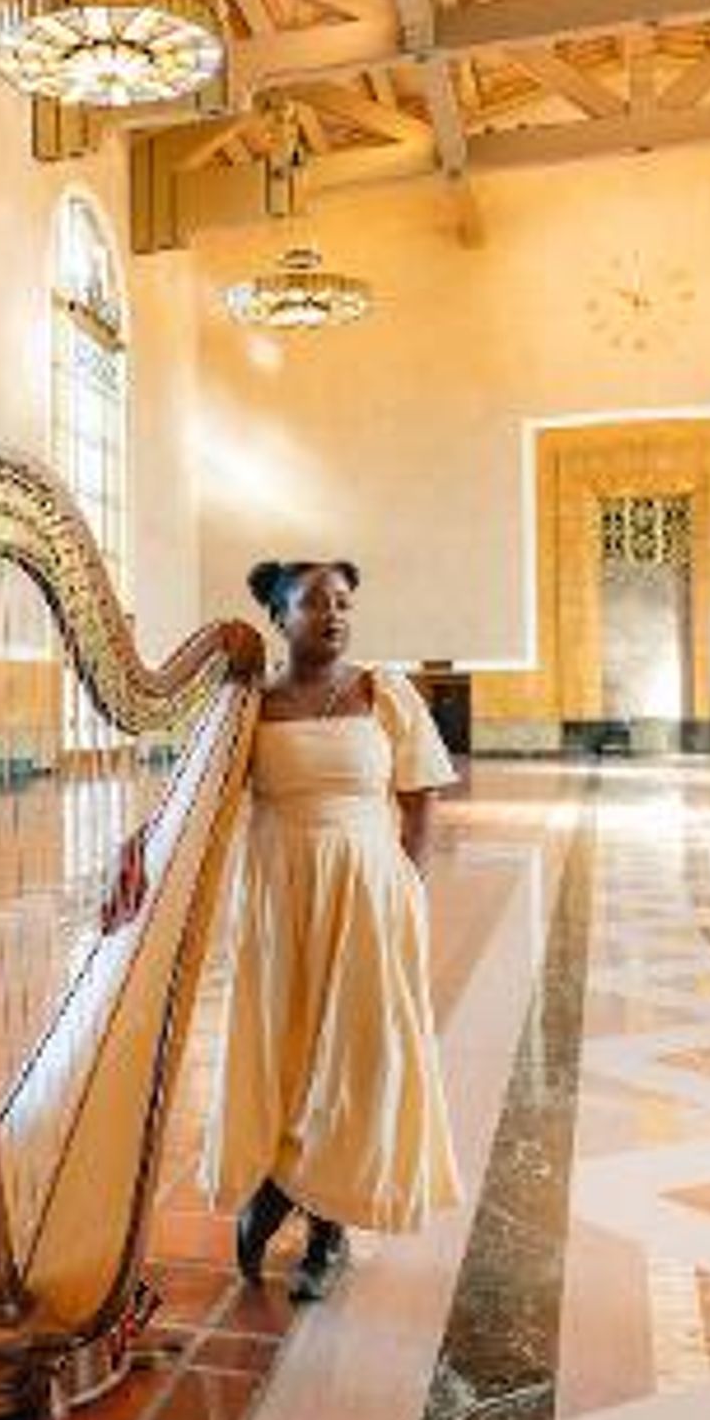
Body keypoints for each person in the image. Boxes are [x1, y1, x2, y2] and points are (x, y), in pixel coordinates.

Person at [203, 558, 462, 1302]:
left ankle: (327, 1226)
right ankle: (276, 1185)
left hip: (370, 892)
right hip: (278, 895)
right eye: (314, 604)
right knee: (285, 1045)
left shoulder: (386, 693)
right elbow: (207, 804)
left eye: (343, 602)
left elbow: (420, 799)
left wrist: (408, 884)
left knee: (356, 1053)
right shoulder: (249, 703)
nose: (334, 614)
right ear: (279, 619)